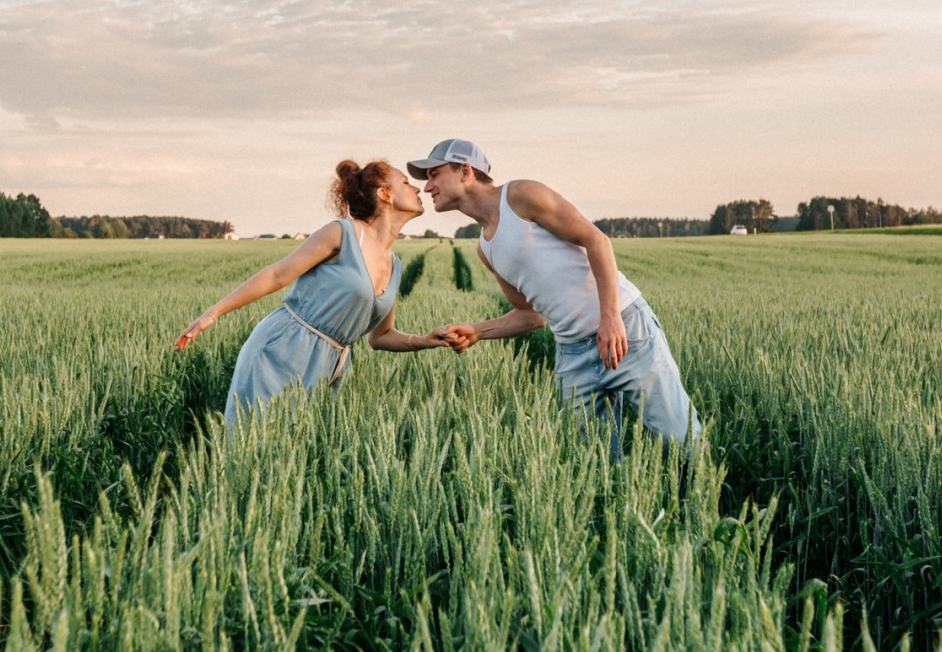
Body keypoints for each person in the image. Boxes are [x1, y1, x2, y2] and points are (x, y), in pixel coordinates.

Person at [410, 138, 700, 460]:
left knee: (681, 443)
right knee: (594, 464)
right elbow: (531, 314)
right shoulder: (485, 249)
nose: (427, 187)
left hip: (625, 330)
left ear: (465, 171)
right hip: (573, 354)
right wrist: (478, 331)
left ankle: (700, 506)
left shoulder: (521, 196)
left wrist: (610, 318)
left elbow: (596, 240)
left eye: (434, 174)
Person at [176, 160, 449, 422]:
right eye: (405, 182)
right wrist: (214, 313)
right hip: (282, 352)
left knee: (297, 459)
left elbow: (381, 337)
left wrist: (425, 340)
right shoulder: (342, 233)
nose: (418, 188)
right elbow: (277, 274)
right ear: (385, 194)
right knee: (255, 451)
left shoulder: (394, 265)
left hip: (330, 367)